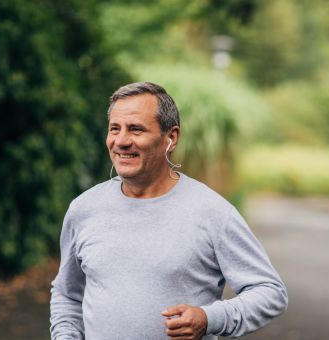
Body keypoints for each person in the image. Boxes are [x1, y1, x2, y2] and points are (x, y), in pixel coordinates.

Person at [49, 82, 287, 339]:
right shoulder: (84, 208)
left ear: (170, 138)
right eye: (115, 129)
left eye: (136, 129)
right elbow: (67, 293)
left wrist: (209, 319)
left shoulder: (212, 212)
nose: (121, 141)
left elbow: (270, 292)